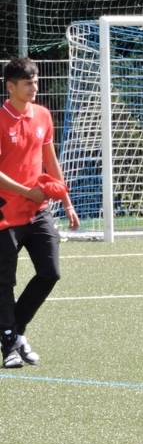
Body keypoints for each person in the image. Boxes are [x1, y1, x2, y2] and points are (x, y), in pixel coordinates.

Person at [0, 57, 80, 369]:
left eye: (36, 81)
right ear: (10, 87)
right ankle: (9, 344)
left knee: (51, 272)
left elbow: (50, 160)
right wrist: (26, 191)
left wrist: (66, 201)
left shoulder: (43, 115)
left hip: (38, 210)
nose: (35, 87)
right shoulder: (1, 119)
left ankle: (15, 331)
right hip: (6, 214)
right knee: (4, 283)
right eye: (28, 83)